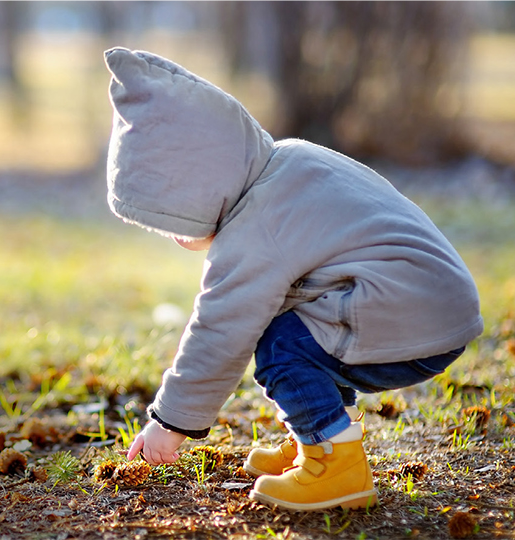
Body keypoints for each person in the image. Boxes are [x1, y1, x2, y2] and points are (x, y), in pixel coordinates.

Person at [103, 48, 483, 511]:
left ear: (199, 188)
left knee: (279, 343)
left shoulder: (257, 223)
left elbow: (219, 330)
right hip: (433, 307)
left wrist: (169, 422)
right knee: (307, 326)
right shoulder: (292, 161)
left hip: (406, 319)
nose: (179, 240)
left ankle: (335, 462)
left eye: (176, 222)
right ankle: (317, 431)